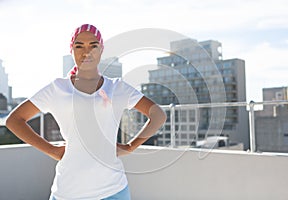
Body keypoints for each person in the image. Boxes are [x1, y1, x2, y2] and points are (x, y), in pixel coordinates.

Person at [6, 24, 167, 200]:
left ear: (101, 49)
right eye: (79, 46)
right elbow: (14, 120)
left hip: (114, 191)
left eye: (93, 45)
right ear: (72, 50)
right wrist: (52, 151)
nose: (86, 51)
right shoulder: (58, 88)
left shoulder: (117, 87)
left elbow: (158, 115)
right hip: (68, 192)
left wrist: (130, 147)